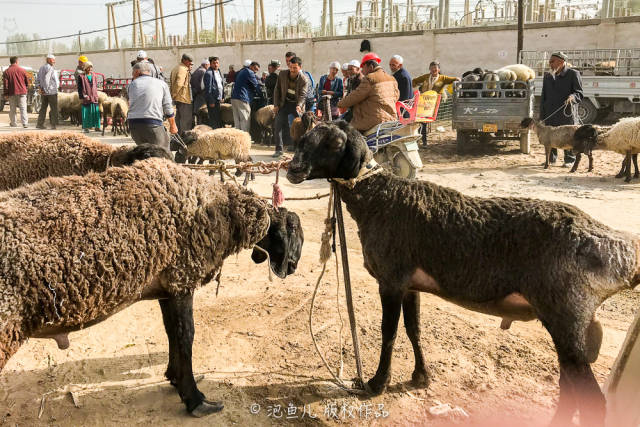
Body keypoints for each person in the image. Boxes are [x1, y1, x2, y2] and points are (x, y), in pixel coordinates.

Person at [540, 51, 584, 166]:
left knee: (567, 136)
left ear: (561, 62)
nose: (550, 64)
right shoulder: (547, 76)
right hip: (550, 111)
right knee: (550, 135)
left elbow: (579, 93)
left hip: (566, 112)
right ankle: (551, 159)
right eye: (549, 62)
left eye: (552, 62)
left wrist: (572, 97)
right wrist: (542, 115)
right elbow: (543, 96)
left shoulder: (573, 74)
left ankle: (569, 160)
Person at [337, 53, 399, 133]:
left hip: (373, 119)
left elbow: (355, 96)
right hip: (391, 118)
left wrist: (340, 104)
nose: (362, 71)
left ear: (371, 67)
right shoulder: (392, 78)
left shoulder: (370, 78)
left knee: (346, 132)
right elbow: (396, 96)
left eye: (363, 68)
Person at [127, 61, 177, 153]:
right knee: (163, 153)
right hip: (152, 124)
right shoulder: (161, 84)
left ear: (137, 72)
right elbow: (168, 107)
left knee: (143, 153)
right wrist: (173, 126)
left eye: (133, 73)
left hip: (133, 126)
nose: (132, 76)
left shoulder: (131, 85)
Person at [412, 61, 459, 146]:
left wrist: (457, 79)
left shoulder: (443, 78)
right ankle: (421, 140)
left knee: (423, 121)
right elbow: (414, 81)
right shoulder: (426, 77)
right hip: (423, 102)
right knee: (421, 121)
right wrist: (416, 85)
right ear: (429, 69)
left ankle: (422, 140)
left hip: (433, 104)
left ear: (439, 70)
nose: (434, 70)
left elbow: (453, 79)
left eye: (435, 69)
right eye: (432, 68)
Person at [272, 56, 307, 158]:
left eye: (295, 68)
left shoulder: (304, 80)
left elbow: (303, 95)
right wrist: (276, 105)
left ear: (300, 67)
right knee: (278, 124)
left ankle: (300, 149)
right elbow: (277, 90)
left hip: (296, 105)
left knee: (300, 127)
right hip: (284, 103)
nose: (292, 70)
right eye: (291, 67)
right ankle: (278, 149)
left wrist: (299, 106)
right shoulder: (282, 74)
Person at [230, 61, 260, 132]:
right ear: (251, 66)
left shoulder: (242, 71)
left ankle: (238, 138)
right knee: (245, 118)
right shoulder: (249, 72)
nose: (255, 72)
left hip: (234, 97)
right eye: (255, 69)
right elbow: (256, 85)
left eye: (257, 70)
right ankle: (245, 138)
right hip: (242, 98)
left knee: (237, 120)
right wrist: (260, 94)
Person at [170, 53, 194, 135]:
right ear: (184, 60)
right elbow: (179, 84)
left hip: (178, 98)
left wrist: (173, 96)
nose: (190, 64)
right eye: (189, 62)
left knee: (178, 120)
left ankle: (178, 139)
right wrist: (174, 94)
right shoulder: (183, 69)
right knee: (186, 121)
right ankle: (185, 140)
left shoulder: (176, 68)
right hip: (183, 98)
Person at [3, 56, 29, 128]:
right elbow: (27, 82)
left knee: (12, 109)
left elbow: (6, 84)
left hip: (12, 92)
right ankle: (25, 123)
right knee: (23, 108)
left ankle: (13, 123)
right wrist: (25, 88)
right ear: (17, 61)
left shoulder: (6, 72)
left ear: (10, 62)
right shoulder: (23, 70)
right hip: (22, 92)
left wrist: (6, 93)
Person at [36, 53, 59, 129]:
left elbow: (38, 79)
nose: (54, 61)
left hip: (44, 92)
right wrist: (46, 89)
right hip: (51, 92)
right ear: (49, 60)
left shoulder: (41, 68)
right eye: (53, 60)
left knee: (43, 108)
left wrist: (40, 89)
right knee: (54, 108)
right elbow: (47, 80)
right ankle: (53, 125)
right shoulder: (50, 68)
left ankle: (39, 124)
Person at [77, 62, 100, 133]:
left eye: (91, 67)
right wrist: (82, 96)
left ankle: (97, 127)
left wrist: (96, 94)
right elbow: (79, 88)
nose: (90, 69)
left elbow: (96, 86)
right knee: (86, 112)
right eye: (88, 67)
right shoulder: (81, 76)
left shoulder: (94, 76)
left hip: (94, 96)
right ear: (85, 68)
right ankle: (86, 127)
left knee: (95, 112)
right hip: (86, 97)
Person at [203, 56, 224, 129]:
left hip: (218, 99)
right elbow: (208, 89)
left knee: (218, 117)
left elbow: (220, 85)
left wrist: (222, 96)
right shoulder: (208, 73)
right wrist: (211, 101)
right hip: (213, 100)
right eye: (214, 63)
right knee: (214, 119)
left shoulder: (218, 71)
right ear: (210, 64)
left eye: (217, 63)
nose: (216, 65)